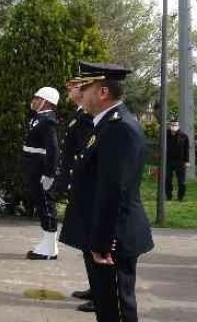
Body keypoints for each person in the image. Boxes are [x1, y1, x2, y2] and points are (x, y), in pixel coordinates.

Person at [75, 62, 154, 322]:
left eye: (85, 88)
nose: (80, 93)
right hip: (108, 233)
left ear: (102, 92)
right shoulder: (107, 124)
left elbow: (114, 191)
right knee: (108, 309)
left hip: (114, 237)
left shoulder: (119, 128)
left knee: (117, 311)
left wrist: (102, 243)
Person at [57, 79, 96, 313]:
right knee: (86, 242)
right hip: (79, 185)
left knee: (94, 242)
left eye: (73, 86)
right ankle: (95, 287)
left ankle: (102, 293)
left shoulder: (89, 118)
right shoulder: (79, 114)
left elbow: (86, 153)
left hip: (87, 187)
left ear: (84, 90)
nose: (69, 90)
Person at [22, 86, 60, 260]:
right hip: (33, 165)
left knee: (45, 204)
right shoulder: (39, 118)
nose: (34, 100)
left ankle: (50, 247)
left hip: (40, 167)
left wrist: (49, 173)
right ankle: (47, 242)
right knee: (41, 202)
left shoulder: (48, 121)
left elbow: (53, 149)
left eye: (38, 98)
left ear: (46, 102)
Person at [166, 118, 190, 202]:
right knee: (167, 179)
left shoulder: (184, 136)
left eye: (175, 125)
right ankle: (168, 196)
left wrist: (187, 161)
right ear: (169, 126)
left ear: (178, 126)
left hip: (180, 162)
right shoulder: (165, 135)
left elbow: (186, 149)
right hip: (168, 161)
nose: (174, 126)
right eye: (172, 125)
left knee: (181, 182)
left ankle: (180, 197)